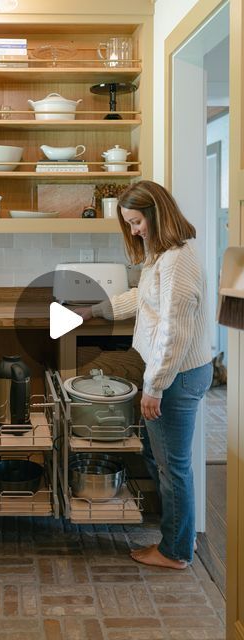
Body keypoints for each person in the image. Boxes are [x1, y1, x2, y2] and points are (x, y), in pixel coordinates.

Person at [75, 180, 212, 569]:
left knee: (173, 465)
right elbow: (143, 298)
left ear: (156, 213)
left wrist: (154, 387)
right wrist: (94, 311)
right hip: (177, 375)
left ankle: (175, 551)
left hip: (178, 377)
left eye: (136, 222)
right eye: (130, 223)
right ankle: (181, 538)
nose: (134, 230)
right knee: (161, 456)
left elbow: (173, 329)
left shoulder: (177, 260)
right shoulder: (164, 255)